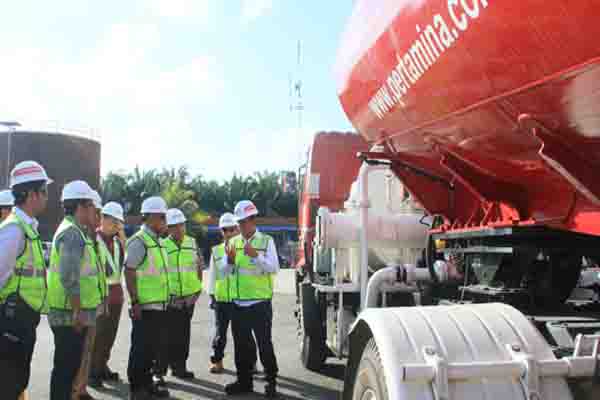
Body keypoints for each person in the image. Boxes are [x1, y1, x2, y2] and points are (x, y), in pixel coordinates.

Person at [0, 161, 52, 400]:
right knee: (8, 385)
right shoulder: (14, 230)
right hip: (11, 321)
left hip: (23, 319)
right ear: (32, 195)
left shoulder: (27, 228)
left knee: (17, 381)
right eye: (44, 191)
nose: (46, 198)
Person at [47, 180, 102, 400]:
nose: (93, 211)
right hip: (69, 314)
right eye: (91, 206)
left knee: (67, 368)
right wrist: (78, 311)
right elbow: (69, 276)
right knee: (65, 370)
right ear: (80, 206)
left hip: (70, 312)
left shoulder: (77, 231)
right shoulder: (72, 234)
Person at [224, 200, 280, 398]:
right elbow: (227, 272)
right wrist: (229, 262)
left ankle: (271, 381)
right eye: (238, 223)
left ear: (253, 220)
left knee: (265, 344)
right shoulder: (233, 243)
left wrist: (256, 256)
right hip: (239, 304)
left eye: (243, 222)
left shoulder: (266, 241)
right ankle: (244, 381)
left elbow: (274, 268)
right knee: (242, 346)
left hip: (260, 304)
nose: (240, 226)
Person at [125, 196, 170, 400]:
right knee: (141, 349)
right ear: (151, 218)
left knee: (151, 349)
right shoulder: (139, 241)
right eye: (162, 217)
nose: (165, 222)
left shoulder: (157, 242)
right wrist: (134, 301)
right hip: (144, 306)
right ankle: (137, 388)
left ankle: (146, 382)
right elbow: (130, 270)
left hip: (158, 306)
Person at [207, 212, 257, 374]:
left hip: (241, 299)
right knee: (220, 334)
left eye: (231, 229)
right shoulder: (216, 251)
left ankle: (251, 363)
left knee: (245, 335)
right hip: (221, 300)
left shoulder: (245, 248)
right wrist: (212, 295)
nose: (228, 233)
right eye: (225, 230)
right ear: (221, 232)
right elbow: (213, 275)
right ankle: (217, 361)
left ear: (237, 229)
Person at [156, 208, 203, 380]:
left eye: (181, 225)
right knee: (164, 338)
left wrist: (198, 288)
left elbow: (199, 265)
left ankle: (179, 367)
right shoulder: (162, 245)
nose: (179, 229)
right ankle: (159, 372)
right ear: (168, 228)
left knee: (183, 336)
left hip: (189, 299)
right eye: (175, 226)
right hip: (170, 299)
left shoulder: (192, 243)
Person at [89, 202, 126, 388]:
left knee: (110, 335)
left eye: (118, 222)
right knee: (98, 335)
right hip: (100, 294)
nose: (117, 225)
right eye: (113, 221)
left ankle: (102, 366)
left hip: (116, 294)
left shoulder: (118, 241)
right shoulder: (93, 240)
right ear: (102, 218)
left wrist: (123, 236)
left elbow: (123, 264)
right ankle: (92, 371)